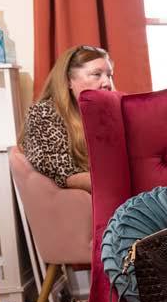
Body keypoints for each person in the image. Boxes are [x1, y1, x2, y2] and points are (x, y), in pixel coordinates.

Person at [19, 45, 115, 192]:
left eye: (109, 75)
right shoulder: (44, 113)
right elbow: (65, 173)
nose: (107, 83)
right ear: (69, 80)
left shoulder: (107, 114)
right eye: (97, 74)